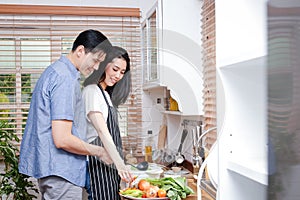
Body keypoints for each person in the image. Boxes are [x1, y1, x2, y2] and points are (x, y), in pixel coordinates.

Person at [18, 29, 114, 200]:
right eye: (96, 60)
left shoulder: (56, 71)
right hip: (61, 171)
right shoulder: (64, 79)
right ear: (80, 51)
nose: (97, 67)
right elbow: (62, 138)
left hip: (55, 170)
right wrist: (100, 152)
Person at [82, 46, 133, 200]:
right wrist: (120, 164)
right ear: (104, 65)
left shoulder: (105, 94)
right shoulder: (91, 91)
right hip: (97, 165)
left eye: (122, 72)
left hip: (108, 165)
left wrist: (120, 162)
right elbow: (103, 132)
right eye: (115, 69)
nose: (118, 75)